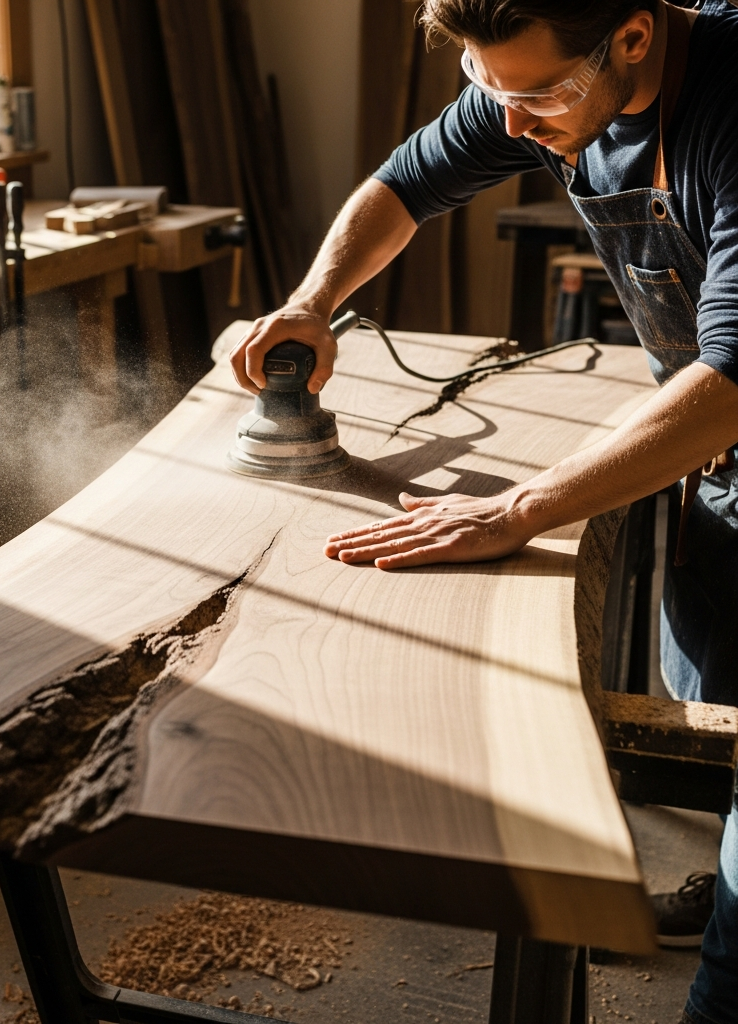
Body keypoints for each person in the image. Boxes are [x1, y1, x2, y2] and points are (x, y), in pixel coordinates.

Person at [229, 2, 738, 1021]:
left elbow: (731, 384)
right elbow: (404, 183)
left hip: (720, 407)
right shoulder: (535, 87)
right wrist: (311, 302)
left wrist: (519, 509)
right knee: (716, 714)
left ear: (632, 37)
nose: (508, 125)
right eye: (485, 89)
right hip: (714, 460)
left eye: (536, 97)